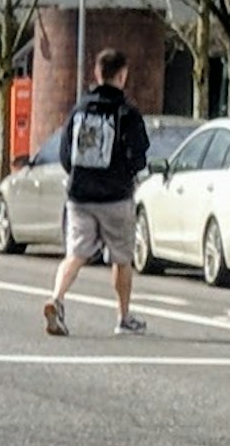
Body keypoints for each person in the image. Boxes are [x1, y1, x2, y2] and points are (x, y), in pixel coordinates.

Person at [43, 48, 151, 336]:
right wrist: (129, 173)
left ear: (97, 74)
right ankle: (123, 317)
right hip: (115, 196)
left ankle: (57, 298)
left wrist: (79, 175)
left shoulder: (79, 110)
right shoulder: (126, 112)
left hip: (80, 195)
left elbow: (66, 154)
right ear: (122, 75)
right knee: (121, 257)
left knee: (75, 253)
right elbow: (138, 155)